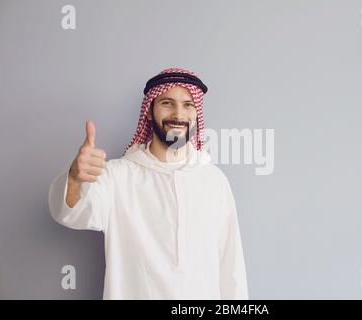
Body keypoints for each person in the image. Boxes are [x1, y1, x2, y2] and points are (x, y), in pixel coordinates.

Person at [48, 67, 249, 300]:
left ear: (196, 114)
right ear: (149, 112)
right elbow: (71, 214)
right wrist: (74, 177)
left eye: (188, 104)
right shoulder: (116, 176)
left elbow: (231, 269)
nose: (178, 113)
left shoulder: (214, 181)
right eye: (167, 103)